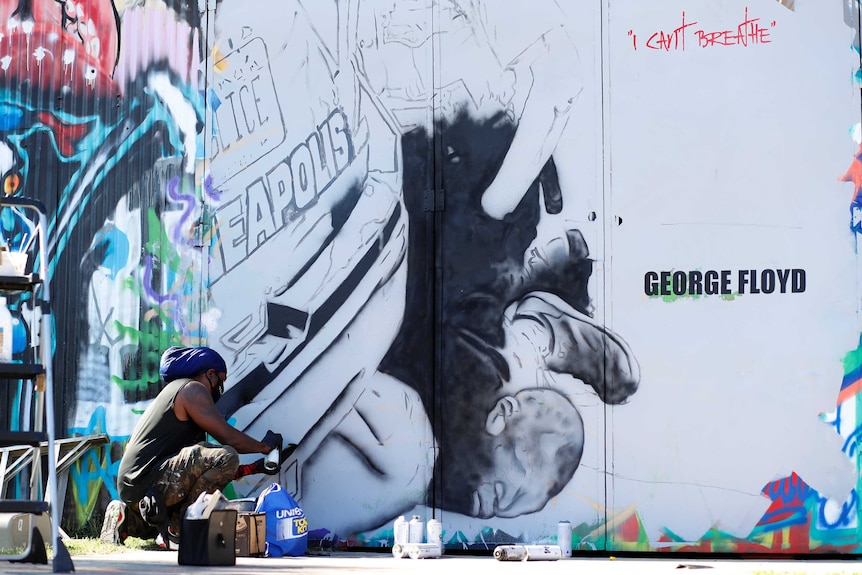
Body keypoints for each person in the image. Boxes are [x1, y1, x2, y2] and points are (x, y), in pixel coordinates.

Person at [100, 346, 289, 546]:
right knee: (225, 456)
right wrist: (265, 447)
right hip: (147, 480)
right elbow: (230, 441)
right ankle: (179, 530)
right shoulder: (192, 389)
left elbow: (202, 474)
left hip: (137, 486)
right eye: (220, 380)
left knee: (154, 524)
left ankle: (125, 518)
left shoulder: (177, 393)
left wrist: (255, 468)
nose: (220, 389)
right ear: (209, 374)